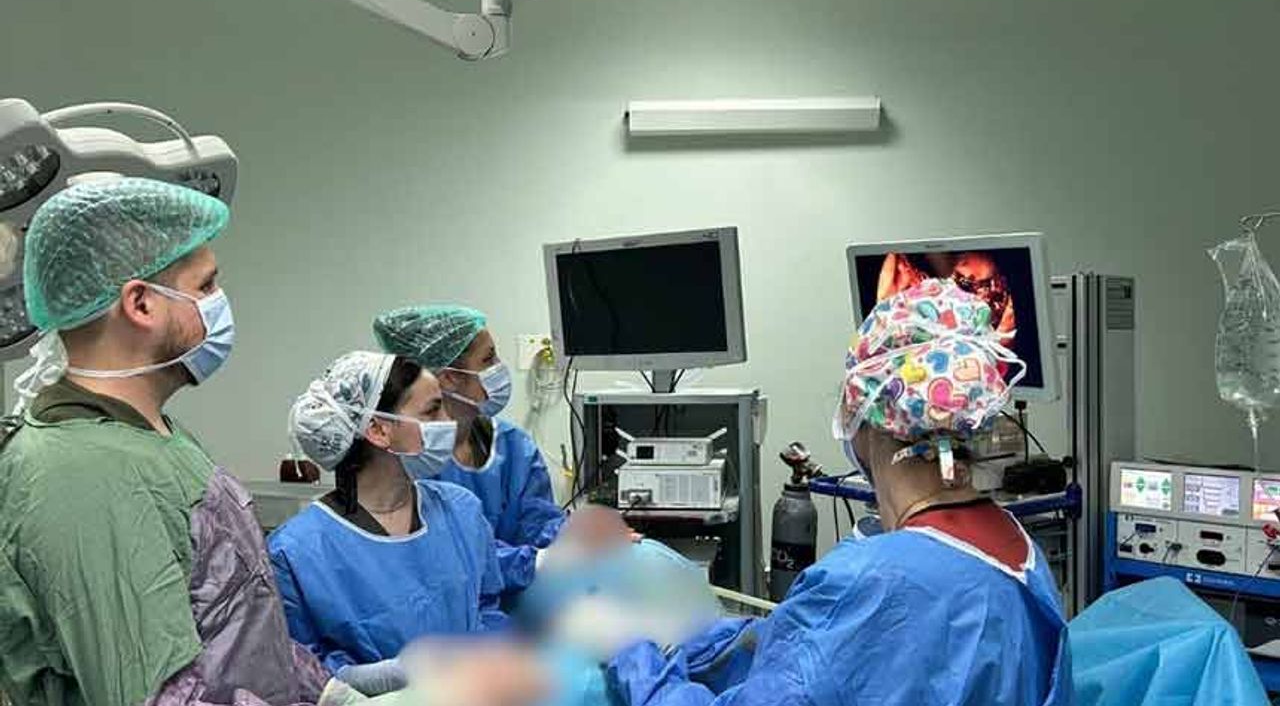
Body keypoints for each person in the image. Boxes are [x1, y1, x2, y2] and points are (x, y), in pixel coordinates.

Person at [607, 278, 1071, 706]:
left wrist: (631, 652)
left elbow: (832, 648)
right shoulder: (1015, 547)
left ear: (864, 415)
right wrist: (694, 642)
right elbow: (820, 647)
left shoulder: (870, 582)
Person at [0, 178, 329, 705]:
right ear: (141, 304)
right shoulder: (82, 476)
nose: (219, 302)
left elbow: (237, 629)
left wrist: (334, 693)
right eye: (206, 286)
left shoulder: (150, 437)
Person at [270, 351, 507, 696]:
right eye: (432, 411)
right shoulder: (296, 552)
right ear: (378, 429)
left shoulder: (461, 511)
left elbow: (487, 608)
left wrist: (492, 660)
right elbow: (298, 667)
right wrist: (381, 676)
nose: (449, 422)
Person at [373, 304, 567, 593]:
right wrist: (535, 562)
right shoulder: (412, 458)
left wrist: (578, 540)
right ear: (449, 377)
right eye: (488, 359)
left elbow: (541, 524)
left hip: (521, 596)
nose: (499, 367)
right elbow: (447, 558)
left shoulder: (513, 445)